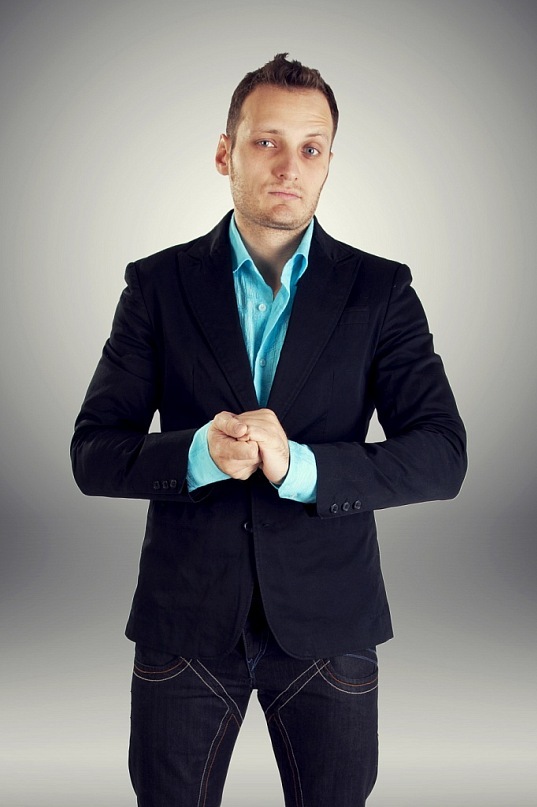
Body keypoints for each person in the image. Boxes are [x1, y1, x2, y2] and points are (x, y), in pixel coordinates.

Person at [71, 53, 467, 807]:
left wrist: (301, 466)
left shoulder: (380, 290)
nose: (290, 166)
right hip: (186, 621)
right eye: (266, 142)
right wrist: (196, 452)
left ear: (329, 163)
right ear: (225, 152)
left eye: (311, 148)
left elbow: (442, 456)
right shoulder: (156, 285)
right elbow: (92, 452)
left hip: (330, 622)